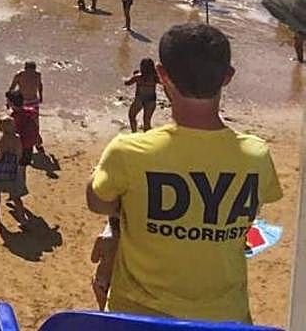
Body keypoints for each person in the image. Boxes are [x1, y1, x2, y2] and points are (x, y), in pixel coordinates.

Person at [87, 23, 282, 322]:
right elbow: (252, 212)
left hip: (139, 320)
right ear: (227, 77)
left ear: (162, 76)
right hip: (225, 321)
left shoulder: (128, 152)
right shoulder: (256, 156)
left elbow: (98, 202)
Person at [0, 116, 27, 221]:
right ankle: (22, 219)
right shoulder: (18, 138)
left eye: (0, 124)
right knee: (15, 196)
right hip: (14, 170)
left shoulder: (4, 139)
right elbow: (19, 154)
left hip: (2, 170)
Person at [124, 58, 158, 132]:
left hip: (140, 100)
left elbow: (127, 83)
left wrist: (132, 75)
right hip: (151, 100)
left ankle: (134, 133)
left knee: (132, 115)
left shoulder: (138, 77)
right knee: (147, 121)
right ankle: (148, 138)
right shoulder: (155, 78)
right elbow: (165, 83)